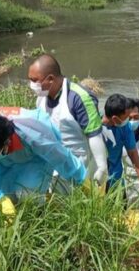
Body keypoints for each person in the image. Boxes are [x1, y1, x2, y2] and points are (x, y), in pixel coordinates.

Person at [0, 107, 86, 217]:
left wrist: (82, 178)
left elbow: (61, 158)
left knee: (28, 195)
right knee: (6, 199)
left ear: (7, 143)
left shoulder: (36, 133)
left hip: (32, 159)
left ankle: (42, 210)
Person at [28, 55, 108, 192]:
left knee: (85, 203)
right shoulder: (41, 99)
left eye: (35, 80)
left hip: (83, 164)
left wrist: (102, 166)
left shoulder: (80, 98)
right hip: (54, 164)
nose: (32, 85)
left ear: (51, 79)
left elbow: (94, 134)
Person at [101, 94, 139, 203]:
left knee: (121, 213)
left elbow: (133, 153)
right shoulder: (94, 126)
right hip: (96, 180)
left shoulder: (125, 127)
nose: (128, 119)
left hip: (116, 181)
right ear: (115, 118)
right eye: (126, 117)